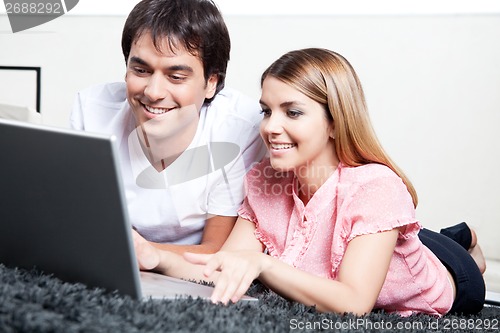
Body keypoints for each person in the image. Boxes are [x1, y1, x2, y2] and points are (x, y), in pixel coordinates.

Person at [133, 48, 486, 316]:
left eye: (293, 112)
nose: (271, 127)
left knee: (443, 252)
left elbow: (355, 303)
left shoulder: (376, 188)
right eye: (267, 110)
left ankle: (464, 241)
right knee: (406, 241)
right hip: (372, 238)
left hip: (449, 277)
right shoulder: (264, 181)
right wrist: (155, 256)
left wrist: (266, 264)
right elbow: (223, 264)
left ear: (334, 122)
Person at [70, 0, 266, 254]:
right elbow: (79, 220)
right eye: (140, 70)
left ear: (211, 83)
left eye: (176, 77)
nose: (153, 92)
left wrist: (135, 251)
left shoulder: (241, 127)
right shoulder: (92, 109)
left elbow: (215, 251)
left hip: (183, 268)